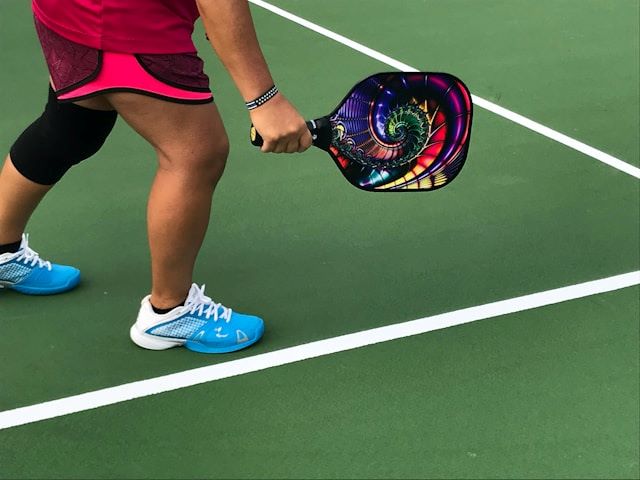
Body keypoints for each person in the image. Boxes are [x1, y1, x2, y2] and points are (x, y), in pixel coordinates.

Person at [0, 0, 312, 353]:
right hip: (129, 22)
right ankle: (170, 312)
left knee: (72, 125)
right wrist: (264, 99)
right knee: (196, 154)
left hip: (65, 9)